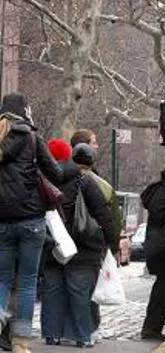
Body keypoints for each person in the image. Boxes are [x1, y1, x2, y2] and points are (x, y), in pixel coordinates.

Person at [0, 93, 63, 353]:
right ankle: (21, 343)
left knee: (1, 279)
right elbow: (56, 174)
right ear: (25, 112)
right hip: (31, 220)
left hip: (2, 220)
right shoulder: (32, 139)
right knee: (26, 282)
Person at [40, 143, 118, 348]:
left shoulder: (41, 180)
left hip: (51, 245)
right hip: (83, 246)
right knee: (80, 292)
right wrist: (113, 241)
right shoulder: (84, 181)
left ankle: (51, 334)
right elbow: (102, 213)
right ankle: (82, 336)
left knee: (53, 290)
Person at [140, 161, 165, 341]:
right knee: (163, 289)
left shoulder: (163, 188)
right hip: (164, 245)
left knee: (163, 288)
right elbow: (160, 213)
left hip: (161, 245)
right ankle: (151, 328)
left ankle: (153, 327)